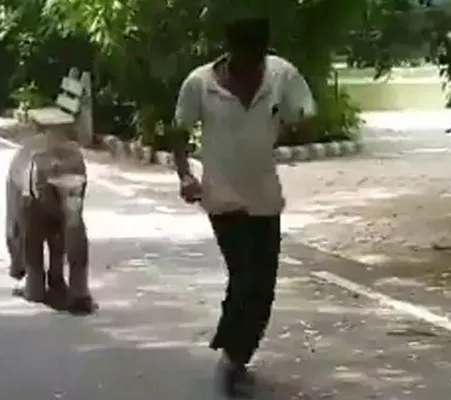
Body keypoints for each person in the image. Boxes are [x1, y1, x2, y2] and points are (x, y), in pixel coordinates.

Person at [171, 15, 316, 398]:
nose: (252, 69)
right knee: (245, 278)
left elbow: (304, 114)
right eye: (245, 60)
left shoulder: (281, 75)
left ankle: (237, 355)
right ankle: (231, 357)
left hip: (265, 197)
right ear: (231, 52)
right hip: (222, 197)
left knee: (263, 287)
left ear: (264, 53)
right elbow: (179, 132)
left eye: (258, 60)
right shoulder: (199, 84)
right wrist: (186, 175)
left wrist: (292, 127)